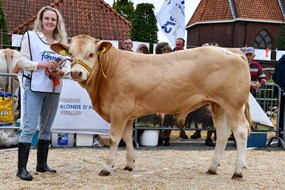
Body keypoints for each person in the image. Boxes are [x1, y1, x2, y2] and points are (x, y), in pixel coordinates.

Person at [14, 6, 68, 181]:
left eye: (53, 19)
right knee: (29, 128)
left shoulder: (62, 41)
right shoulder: (31, 37)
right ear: (41, 20)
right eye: (47, 19)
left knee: (46, 128)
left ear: (57, 22)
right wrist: (41, 65)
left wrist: (60, 72)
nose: (50, 22)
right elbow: (21, 60)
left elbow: (66, 65)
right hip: (34, 86)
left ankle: (41, 165)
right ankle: (21, 169)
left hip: (53, 88)